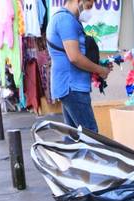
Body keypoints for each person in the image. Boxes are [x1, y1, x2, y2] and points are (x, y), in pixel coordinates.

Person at [47, 0, 111, 132]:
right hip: (72, 86)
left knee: (75, 137)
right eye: (88, 6)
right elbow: (75, 57)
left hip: (70, 86)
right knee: (90, 135)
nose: (89, 11)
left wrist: (98, 65)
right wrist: (100, 70)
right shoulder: (65, 21)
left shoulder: (69, 19)